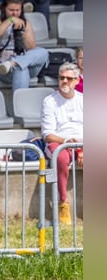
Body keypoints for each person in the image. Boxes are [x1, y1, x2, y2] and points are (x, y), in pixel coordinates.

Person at [40, 61, 83, 225]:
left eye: (69, 79)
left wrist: (82, 149)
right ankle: (62, 203)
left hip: (83, 143)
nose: (65, 81)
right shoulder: (49, 101)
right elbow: (48, 134)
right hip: (60, 144)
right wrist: (66, 142)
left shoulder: (84, 99)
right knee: (61, 158)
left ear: (77, 81)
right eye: (62, 78)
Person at [0, 0, 49, 90]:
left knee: (43, 52)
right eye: (11, 10)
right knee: (21, 70)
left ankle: (13, 63)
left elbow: (31, 48)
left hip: (21, 58)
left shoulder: (26, 23)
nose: (15, 13)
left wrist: (23, 35)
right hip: (0, 63)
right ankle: (20, 104)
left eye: (17, 10)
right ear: (4, 8)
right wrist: (10, 20)